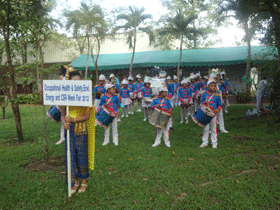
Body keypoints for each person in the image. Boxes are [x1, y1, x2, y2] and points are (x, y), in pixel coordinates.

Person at [61, 70, 95, 194]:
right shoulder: (64, 94)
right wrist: (65, 123)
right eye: (74, 81)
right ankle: (74, 180)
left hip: (81, 129)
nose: (77, 84)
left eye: (79, 81)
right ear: (69, 82)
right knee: (71, 154)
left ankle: (84, 181)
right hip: (69, 129)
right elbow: (62, 112)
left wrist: (74, 119)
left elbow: (87, 116)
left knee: (82, 154)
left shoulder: (85, 94)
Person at [199, 78, 222, 149]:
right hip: (206, 113)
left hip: (213, 114)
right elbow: (200, 103)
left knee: (213, 128)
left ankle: (214, 142)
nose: (213, 87)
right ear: (208, 86)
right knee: (205, 128)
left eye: (214, 86)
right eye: (211, 86)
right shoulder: (204, 94)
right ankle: (205, 142)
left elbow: (220, 104)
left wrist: (218, 109)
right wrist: (204, 103)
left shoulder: (217, 95)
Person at [56, 65, 66, 145]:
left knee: (65, 122)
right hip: (63, 104)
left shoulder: (65, 81)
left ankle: (63, 138)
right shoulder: (62, 81)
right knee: (63, 122)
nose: (60, 78)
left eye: (61, 76)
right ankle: (62, 138)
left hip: (67, 104)